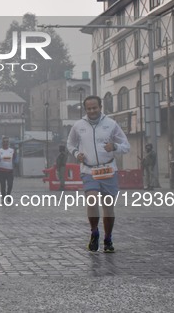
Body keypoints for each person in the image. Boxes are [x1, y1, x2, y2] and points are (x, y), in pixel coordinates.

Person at [67, 95, 130, 253]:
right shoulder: (78, 125)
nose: (92, 111)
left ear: (100, 107)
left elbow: (126, 146)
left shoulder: (111, 124)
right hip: (89, 170)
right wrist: (76, 154)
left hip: (108, 170)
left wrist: (114, 146)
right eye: (89, 108)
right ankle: (94, 232)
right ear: (85, 109)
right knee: (92, 199)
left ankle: (108, 238)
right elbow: (70, 143)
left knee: (108, 207)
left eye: (94, 107)